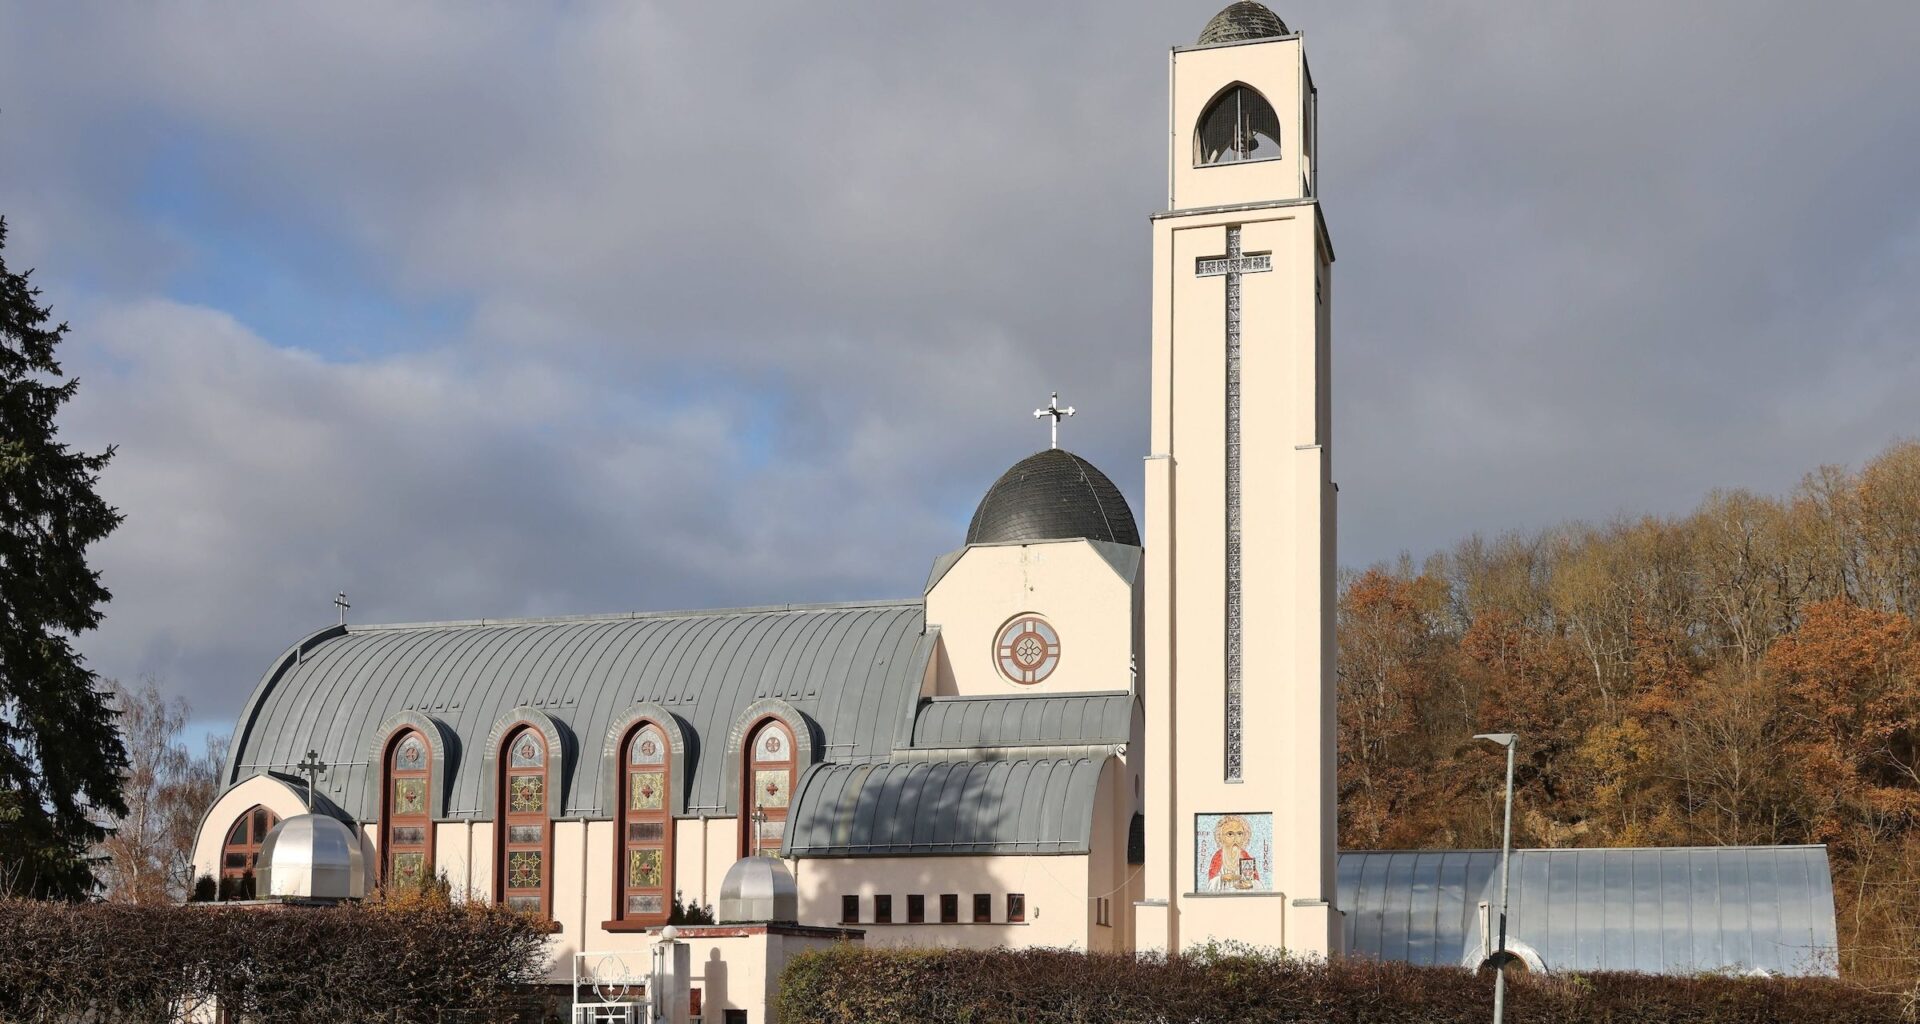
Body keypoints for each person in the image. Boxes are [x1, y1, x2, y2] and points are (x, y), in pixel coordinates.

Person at [1206, 815, 1261, 891]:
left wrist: (1250, 884)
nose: (1236, 839)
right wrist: (1222, 878)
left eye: (1239, 834)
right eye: (1230, 834)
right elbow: (1210, 886)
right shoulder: (1218, 857)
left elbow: (1257, 884)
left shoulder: (1246, 857)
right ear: (1221, 837)